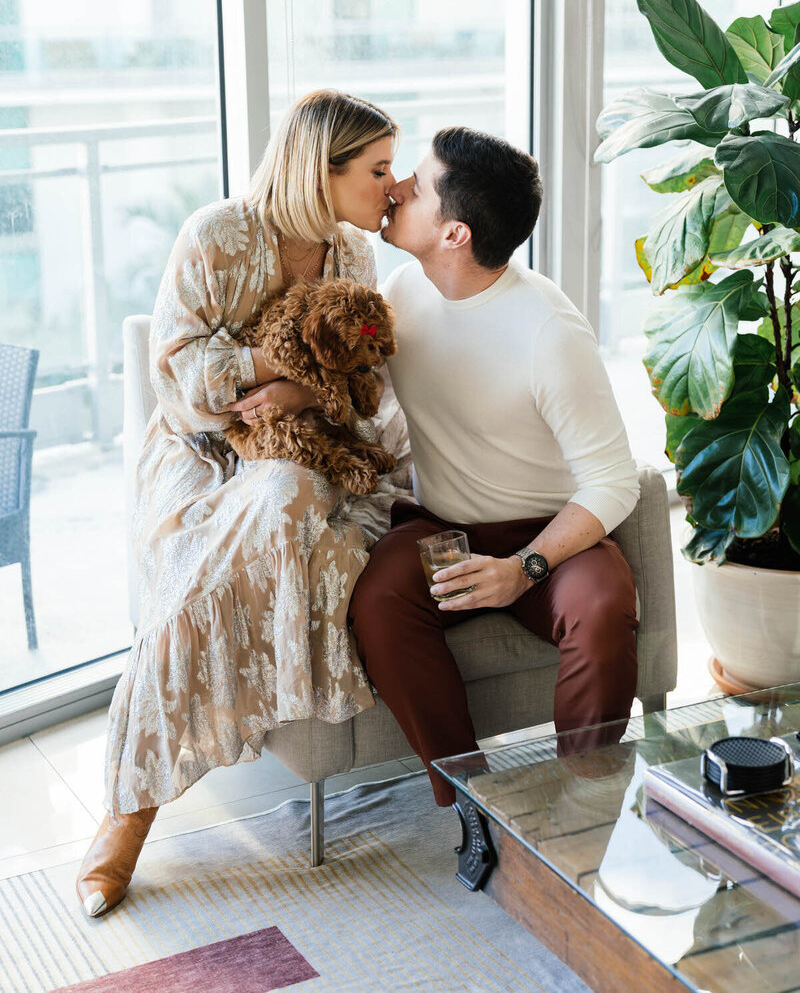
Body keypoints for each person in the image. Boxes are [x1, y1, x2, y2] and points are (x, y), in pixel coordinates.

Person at [76, 89, 403, 918]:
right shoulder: (218, 235)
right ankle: (129, 805)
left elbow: (366, 386)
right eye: (377, 170)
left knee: (290, 494)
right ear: (319, 172)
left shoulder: (355, 260)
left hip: (306, 452)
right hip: (199, 451)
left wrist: (305, 391)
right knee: (255, 522)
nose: (392, 188)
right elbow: (173, 376)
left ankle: (133, 799)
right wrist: (264, 371)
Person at [348, 127, 640, 807]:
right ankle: (473, 799)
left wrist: (525, 569)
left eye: (414, 186)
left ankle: (585, 801)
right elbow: (351, 367)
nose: (395, 190)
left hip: (552, 539)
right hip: (442, 529)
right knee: (378, 601)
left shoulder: (548, 332)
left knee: (602, 607)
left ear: (454, 234)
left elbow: (612, 481)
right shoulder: (399, 291)